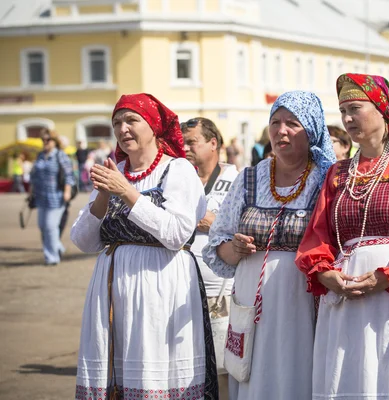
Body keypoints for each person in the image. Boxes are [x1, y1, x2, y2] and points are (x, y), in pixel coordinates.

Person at [296, 73, 389, 399]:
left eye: (355, 108)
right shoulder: (338, 173)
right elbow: (318, 235)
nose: (348, 119)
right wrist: (326, 274)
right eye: (342, 112)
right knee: (349, 371)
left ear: (382, 109)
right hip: (344, 291)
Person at [70, 93, 218, 399]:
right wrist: (103, 194)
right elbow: (83, 241)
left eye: (131, 120)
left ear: (153, 126)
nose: (123, 129)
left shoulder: (177, 170)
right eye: (116, 123)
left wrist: (126, 193)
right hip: (113, 289)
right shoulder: (116, 172)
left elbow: (176, 234)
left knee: (155, 371)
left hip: (160, 286)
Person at [203, 91, 336, 400]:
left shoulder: (327, 180)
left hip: (302, 300)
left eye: (292, 123)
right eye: (275, 122)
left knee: (297, 371)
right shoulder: (250, 178)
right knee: (253, 371)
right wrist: (234, 249)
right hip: (251, 297)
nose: (281, 130)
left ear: (312, 130)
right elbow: (216, 245)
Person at [182, 116, 239, 399]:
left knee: (223, 365)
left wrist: (210, 222)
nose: (186, 148)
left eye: (191, 142)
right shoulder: (181, 180)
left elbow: (245, 228)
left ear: (213, 143)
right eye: (182, 143)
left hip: (223, 288)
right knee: (189, 362)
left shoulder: (237, 178)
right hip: (184, 285)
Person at [30, 128, 75, 265]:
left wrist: (67, 192)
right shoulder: (40, 156)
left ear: (55, 141)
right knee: (43, 227)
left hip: (56, 197)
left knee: (50, 226)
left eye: (48, 140)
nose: (45, 142)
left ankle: (52, 258)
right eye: (43, 140)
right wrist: (31, 193)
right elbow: (34, 176)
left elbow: (69, 176)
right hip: (41, 197)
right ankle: (58, 248)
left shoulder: (60, 155)